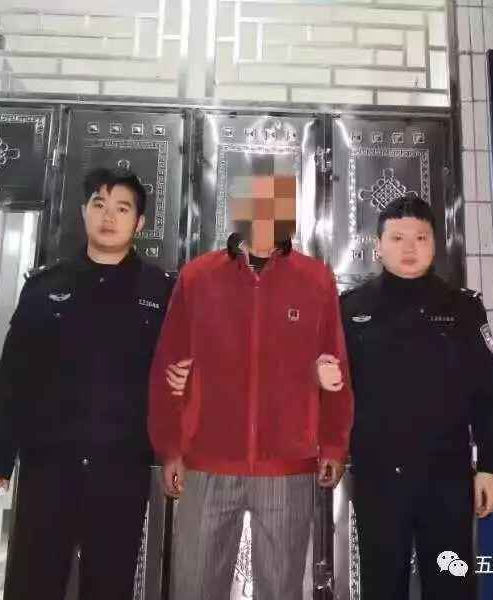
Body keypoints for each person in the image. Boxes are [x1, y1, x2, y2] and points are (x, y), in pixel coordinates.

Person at [149, 185, 353, 600]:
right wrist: (170, 448)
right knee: (195, 587)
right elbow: (168, 365)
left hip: (288, 465)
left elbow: (335, 365)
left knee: (281, 589)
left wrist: (333, 444)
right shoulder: (198, 277)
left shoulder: (315, 280)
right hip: (207, 460)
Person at [0, 167, 174, 600]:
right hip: (49, 466)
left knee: (109, 584)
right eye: (99, 205)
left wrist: (175, 449)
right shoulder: (45, 286)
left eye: (122, 208)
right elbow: (13, 374)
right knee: (33, 581)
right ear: (84, 212)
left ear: (139, 222)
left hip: (120, 468)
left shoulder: (161, 292)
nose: (109, 216)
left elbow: (177, 373)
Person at [340, 194, 493, 600]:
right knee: (382, 587)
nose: (409, 248)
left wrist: (490, 466)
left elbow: (488, 395)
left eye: (420, 237)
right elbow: (333, 394)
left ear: (435, 243)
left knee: (452, 584)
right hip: (379, 481)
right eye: (397, 238)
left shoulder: (462, 309)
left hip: (446, 482)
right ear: (378, 245)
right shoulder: (351, 309)